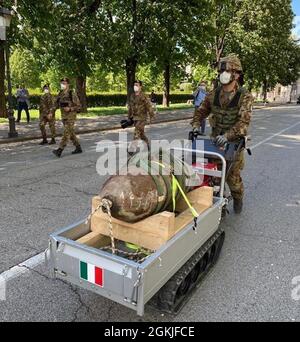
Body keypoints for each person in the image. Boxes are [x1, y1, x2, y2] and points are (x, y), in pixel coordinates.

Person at [191, 54, 253, 214]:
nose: (223, 74)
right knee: (213, 175)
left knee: (233, 179)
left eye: (227, 71)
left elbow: (243, 123)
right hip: (214, 142)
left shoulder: (244, 96)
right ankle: (219, 207)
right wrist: (196, 124)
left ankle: (238, 198)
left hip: (233, 144)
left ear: (236, 74)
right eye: (221, 71)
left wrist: (227, 136)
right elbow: (201, 111)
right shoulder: (213, 94)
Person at [52, 78, 82, 158]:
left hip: (71, 116)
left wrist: (70, 108)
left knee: (66, 133)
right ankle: (78, 147)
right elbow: (55, 104)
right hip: (64, 117)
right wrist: (51, 112)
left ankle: (60, 150)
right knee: (70, 132)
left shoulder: (72, 93)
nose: (62, 85)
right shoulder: (60, 93)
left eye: (64, 83)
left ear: (68, 84)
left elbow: (79, 106)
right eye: (61, 83)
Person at [128, 80, 155, 146]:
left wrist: (151, 117)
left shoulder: (144, 96)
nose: (135, 86)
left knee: (136, 132)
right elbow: (130, 107)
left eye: (137, 85)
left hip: (142, 118)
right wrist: (129, 117)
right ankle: (147, 144)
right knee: (141, 134)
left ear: (140, 86)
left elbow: (149, 107)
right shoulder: (132, 96)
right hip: (135, 118)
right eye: (134, 85)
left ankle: (132, 148)